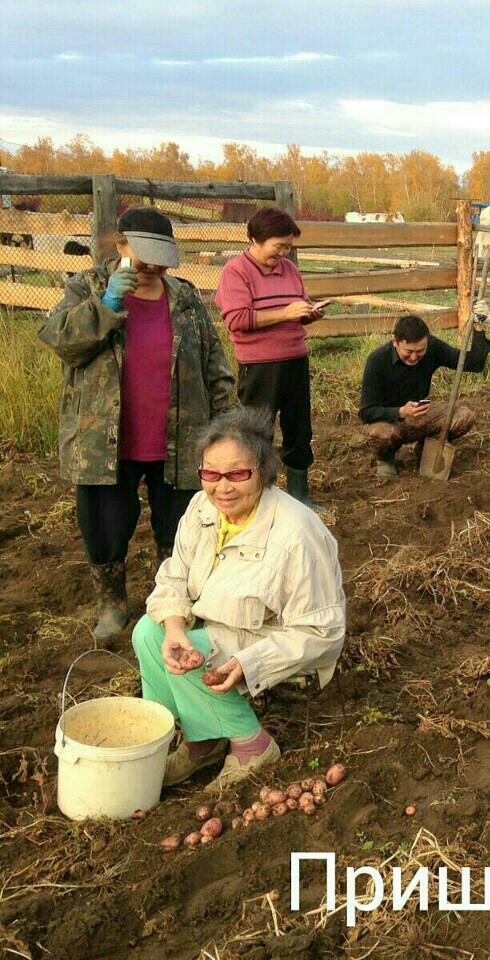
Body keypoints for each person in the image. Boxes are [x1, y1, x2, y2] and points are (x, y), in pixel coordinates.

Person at [39, 206, 235, 641]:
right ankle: (112, 606)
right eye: (141, 254)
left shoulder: (184, 298)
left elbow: (214, 366)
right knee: (105, 526)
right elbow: (61, 342)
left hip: (180, 439)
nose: (151, 266)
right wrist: (105, 306)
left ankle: (173, 606)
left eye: (159, 257)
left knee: (180, 527)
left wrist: (226, 430)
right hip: (104, 440)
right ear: (120, 244)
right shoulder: (85, 286)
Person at [132, 407, 345, 787]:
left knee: (194, 654)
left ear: (262, 471)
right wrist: (175, 627)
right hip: (217, 630)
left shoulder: (296, 533)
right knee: (150, 633)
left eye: (238, 474)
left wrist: (251, 662)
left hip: (271, 643)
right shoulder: (202, 509)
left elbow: (321, 633)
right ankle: (205, 741)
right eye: (211, 474)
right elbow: (174, 576)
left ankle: (253, 746)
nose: (223, 487)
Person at [214, 207, 325, 506]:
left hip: (295, 359)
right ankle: (260, 495)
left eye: (288, 247)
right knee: (258, 430)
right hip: (260, 364)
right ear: (255, 239)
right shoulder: (236, 271)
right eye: (279, 246)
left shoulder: (289, 270)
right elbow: (237, 318)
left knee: (299, 428)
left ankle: (300, 497)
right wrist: (285, 313)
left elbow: (297, 308)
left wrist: (308, 314)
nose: (284, 253)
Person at [359, 312, 490, 476]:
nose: (414, 357)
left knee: (464, 416)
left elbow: (474, 364)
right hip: (388, 421)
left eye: (420, 351)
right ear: (395, 342)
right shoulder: (377, 360)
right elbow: (366, 412)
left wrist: (478, 327)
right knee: (382, 434)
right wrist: (401, 411)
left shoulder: (433, 346)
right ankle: (385, 457)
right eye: (408, 351)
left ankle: (427, 448)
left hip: (420, 416)